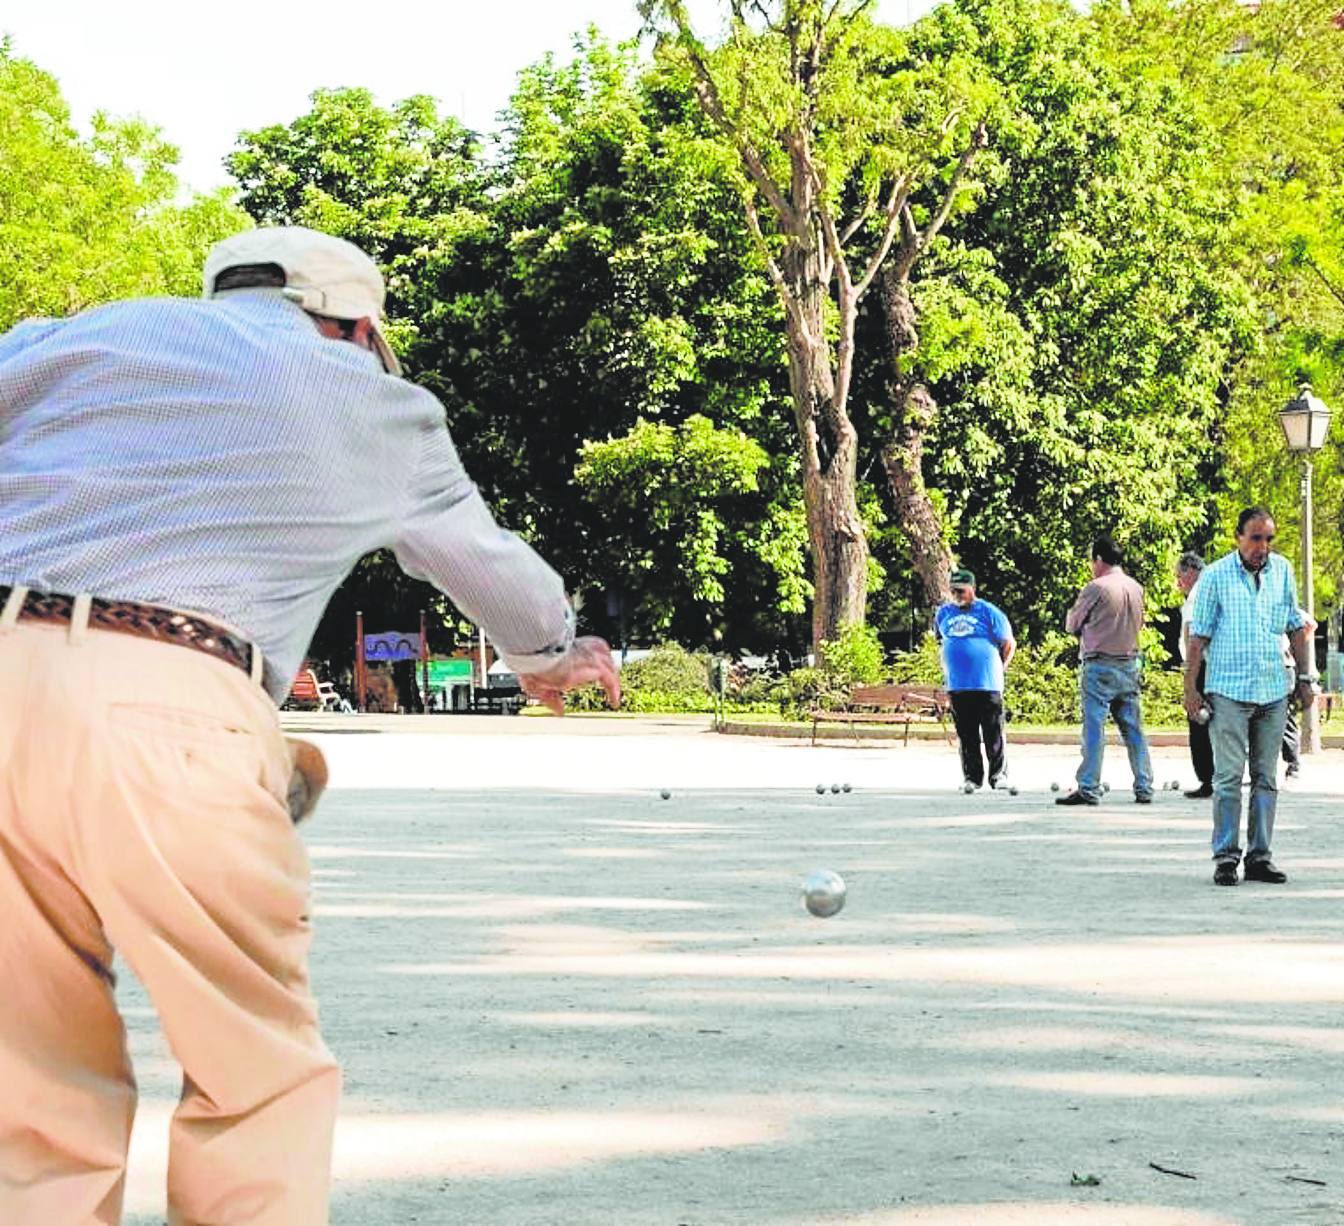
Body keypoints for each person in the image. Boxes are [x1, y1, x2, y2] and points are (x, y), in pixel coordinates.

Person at [0, 225, 621, 1224]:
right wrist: (552, 651)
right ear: (356, 324)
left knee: (26, 1079)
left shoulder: (66, 339)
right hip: (174, 696)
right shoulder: (372, 397)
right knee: (256, 1070)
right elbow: (480, 560)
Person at [1186, 506, 1313, 886]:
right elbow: (1199, 636)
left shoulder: (1282, 571)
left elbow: (1295, 626)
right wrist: (1190, 687)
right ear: (1238, 537)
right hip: (1228, 690)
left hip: (1273, 689)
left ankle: (1260, 856)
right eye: (1256, 538)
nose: (1263, 547)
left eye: (1269, 539)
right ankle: (1226, 857)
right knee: (1227, 778)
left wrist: (1306, 678)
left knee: (1265, 777)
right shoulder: (1216, 577)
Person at [1058, 535, 1155, 805]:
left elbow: (1072, 624)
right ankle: (1144, 784)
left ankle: (1089, 786)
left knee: (1094, 728)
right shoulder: (1136, 588)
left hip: (1099, 664)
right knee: (1133, 729)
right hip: (1129, 664)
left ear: (1099, 559)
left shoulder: (1096, 588)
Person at [934, 568, 1016, 790]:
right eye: (953, 591)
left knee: (993, 731)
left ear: (972, 589)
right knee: (966, 734)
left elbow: (1008, 643)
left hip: (987, 683)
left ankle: (998, 775)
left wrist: (999, 667)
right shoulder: (944, 613)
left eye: (961, 590)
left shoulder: (989, 612)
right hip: (958, 684)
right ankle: (972, 777)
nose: (957, 595)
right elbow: (942, 640)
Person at [1176, 552, 1213, 798]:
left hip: (1202, 665)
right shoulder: (1212, 587)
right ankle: (1216, 776)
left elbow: (1192, 637)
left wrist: (1190, 679)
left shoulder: (1196, 596)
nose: (1178, 583)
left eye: (1179, 577)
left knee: (1198, 720)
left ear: (1191, 571)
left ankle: (1206, 778)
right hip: (1214, 665)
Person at [1279, 610, 1316, 780]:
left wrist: (1295, 646)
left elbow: (1309, 623)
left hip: (1283, 665)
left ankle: (1293, 762)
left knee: (1285, 715)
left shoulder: (1279, 601)